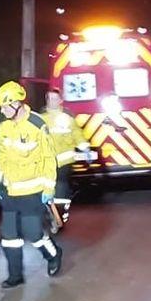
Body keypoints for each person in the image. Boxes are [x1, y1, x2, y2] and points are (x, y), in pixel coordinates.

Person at [0, 80, 62, 288]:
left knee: (33, 233)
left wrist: (49, 188)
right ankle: (15, 276)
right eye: (1, 108)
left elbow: (49, 158)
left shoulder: (37, 124)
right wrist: (0, 181)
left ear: (18, 103)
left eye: (6, 106)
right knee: (9, 236)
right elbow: (2, 154)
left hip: (33, 191)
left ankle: (53, 254)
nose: (3, 111)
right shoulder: (4, 126)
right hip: (10, 191)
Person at [42, 87, 90, 224]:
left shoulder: (67, 118)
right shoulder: (41, 118)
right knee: (50, 186)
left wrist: (85, 148)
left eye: (55, 99)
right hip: (47, 160)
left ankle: (60, 214)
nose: (52, 102)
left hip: (65, 160)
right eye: (50, 99)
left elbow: (76, 134)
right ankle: (52, 212)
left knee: (61, 186)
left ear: (60, 100)